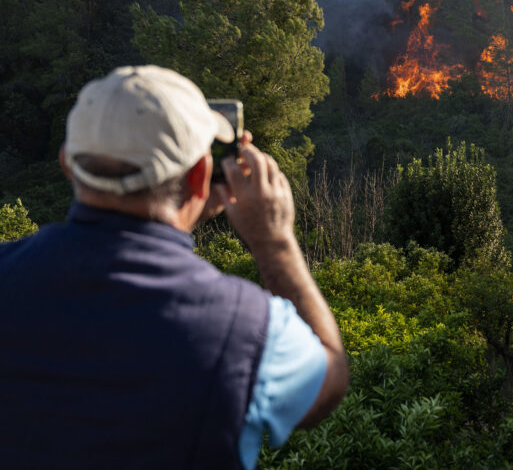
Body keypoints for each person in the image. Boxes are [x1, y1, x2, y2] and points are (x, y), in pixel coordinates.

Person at [0, 66, 348, 469]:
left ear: (67, 163)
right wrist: (275, 242)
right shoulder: (247, 327)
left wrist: (192, 201)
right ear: (200, 174)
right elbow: (327, 381)